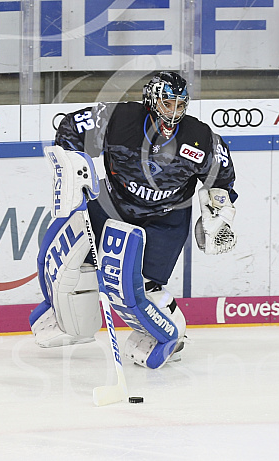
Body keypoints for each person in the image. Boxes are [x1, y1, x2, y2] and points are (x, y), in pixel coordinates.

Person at [29, 71, 238, 369]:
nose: (174, 111)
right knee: (64, 257)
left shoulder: (201, 137)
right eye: (168, 103)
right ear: (151, 100)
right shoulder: (116, 118)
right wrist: (75, 166)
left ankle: (169, 335)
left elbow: (222, 179)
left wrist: (219, 214)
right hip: (111, 204)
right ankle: (69, 322)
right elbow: (70, 129)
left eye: (180, 105)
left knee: (144, 287)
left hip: (165, 220)